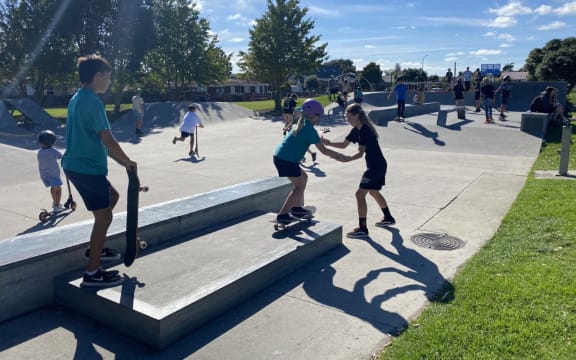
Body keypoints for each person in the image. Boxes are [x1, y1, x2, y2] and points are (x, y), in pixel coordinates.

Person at [62, 54, 136, 288]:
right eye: (108, 77)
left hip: (76, 165)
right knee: (104, 216)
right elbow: (108, 140)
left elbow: (101, 142)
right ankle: (92, 273)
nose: (110, 82)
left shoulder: (77, 97)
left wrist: (123, 161)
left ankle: (96, 246)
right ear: (97, 76)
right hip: (87, 169)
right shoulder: (93, 101)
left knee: (112, 197)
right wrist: (128, 161)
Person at [321, 103, 396, 238]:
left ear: (356, 116)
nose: (347, 120)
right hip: (377, 165)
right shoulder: (356, 129)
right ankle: (388, 217)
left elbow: (360, 154)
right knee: (373, 191)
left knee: (359, 195)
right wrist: (328, 143)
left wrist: (348, 159)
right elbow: (344, 145)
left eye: (349, 117)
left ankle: (363, 228)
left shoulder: (365, 131)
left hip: (375, 167)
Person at [273, 99, 342, 225]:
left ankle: (297, 208)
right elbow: (324, 151)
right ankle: (282, 215)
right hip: (286, 160)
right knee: (299, 187)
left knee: (304, 177)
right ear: (314, 116)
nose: (319, 119)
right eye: (319, 116)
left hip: (281, 157)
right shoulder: (309, 129)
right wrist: (339, 156)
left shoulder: (301, 122)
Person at [37, 130, 65, 213]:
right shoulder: (53, 151)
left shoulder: (39, 152)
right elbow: (61, 156)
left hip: (44, 174)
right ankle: (57, 205)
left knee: (53, 188)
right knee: (58, 189)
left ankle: (55, 202)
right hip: (53, 174)